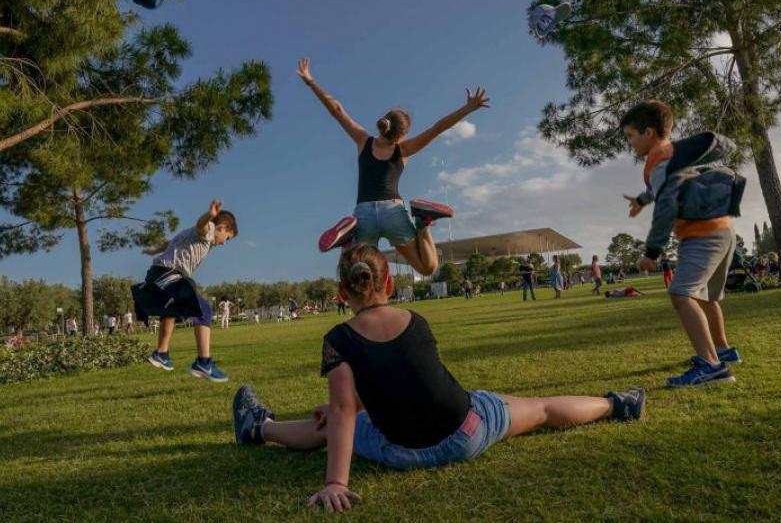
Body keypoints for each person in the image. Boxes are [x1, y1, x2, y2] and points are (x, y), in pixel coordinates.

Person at [231, 244, 645, 513]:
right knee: (540, 408)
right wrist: (351, 410)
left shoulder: (338, 338)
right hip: (465, 434)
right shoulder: (416, 320)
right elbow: (411, 381)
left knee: (331, 425)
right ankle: (616, 404)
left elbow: (341, 409)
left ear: (342, 293)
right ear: (388, 282)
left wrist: (336, 481)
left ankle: (259, 427)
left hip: (399, 450)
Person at [298, 58, 489, 275]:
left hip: (364, 215)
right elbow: (437, 128)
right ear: (401, 135)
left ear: (383, 125)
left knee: (352, 273)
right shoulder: (403, 150)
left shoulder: (363, 141)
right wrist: (468, 108)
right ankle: (423, 221)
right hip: (393, 213)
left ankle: (347, 242)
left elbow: (337, 110)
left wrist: (310, 81)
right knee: (428, 267)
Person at [621, 100, 743, 387]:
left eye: (630, 136)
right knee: (705, 297)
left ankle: (712, 367)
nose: (630, 143)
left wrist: (652, 252)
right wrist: (641, 200)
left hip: (701, 235)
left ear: (648, 132)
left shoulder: (658, 159)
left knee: (680, 294)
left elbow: (666, 203)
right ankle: (723, 350)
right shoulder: (674, 155)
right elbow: (660, 188)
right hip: (724, 231)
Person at [131, 200, 236, 383]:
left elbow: (169, 243)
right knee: (204, 310)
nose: (224, 243)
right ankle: (204, 363)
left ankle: (161, 353)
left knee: (171, 311)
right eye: (227, 237)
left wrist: (154, 250)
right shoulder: (208, 231)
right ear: (222, 227)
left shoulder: (191, 236)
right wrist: (210, 215)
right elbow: (201, 225)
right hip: (168, 274)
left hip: (158, 274)